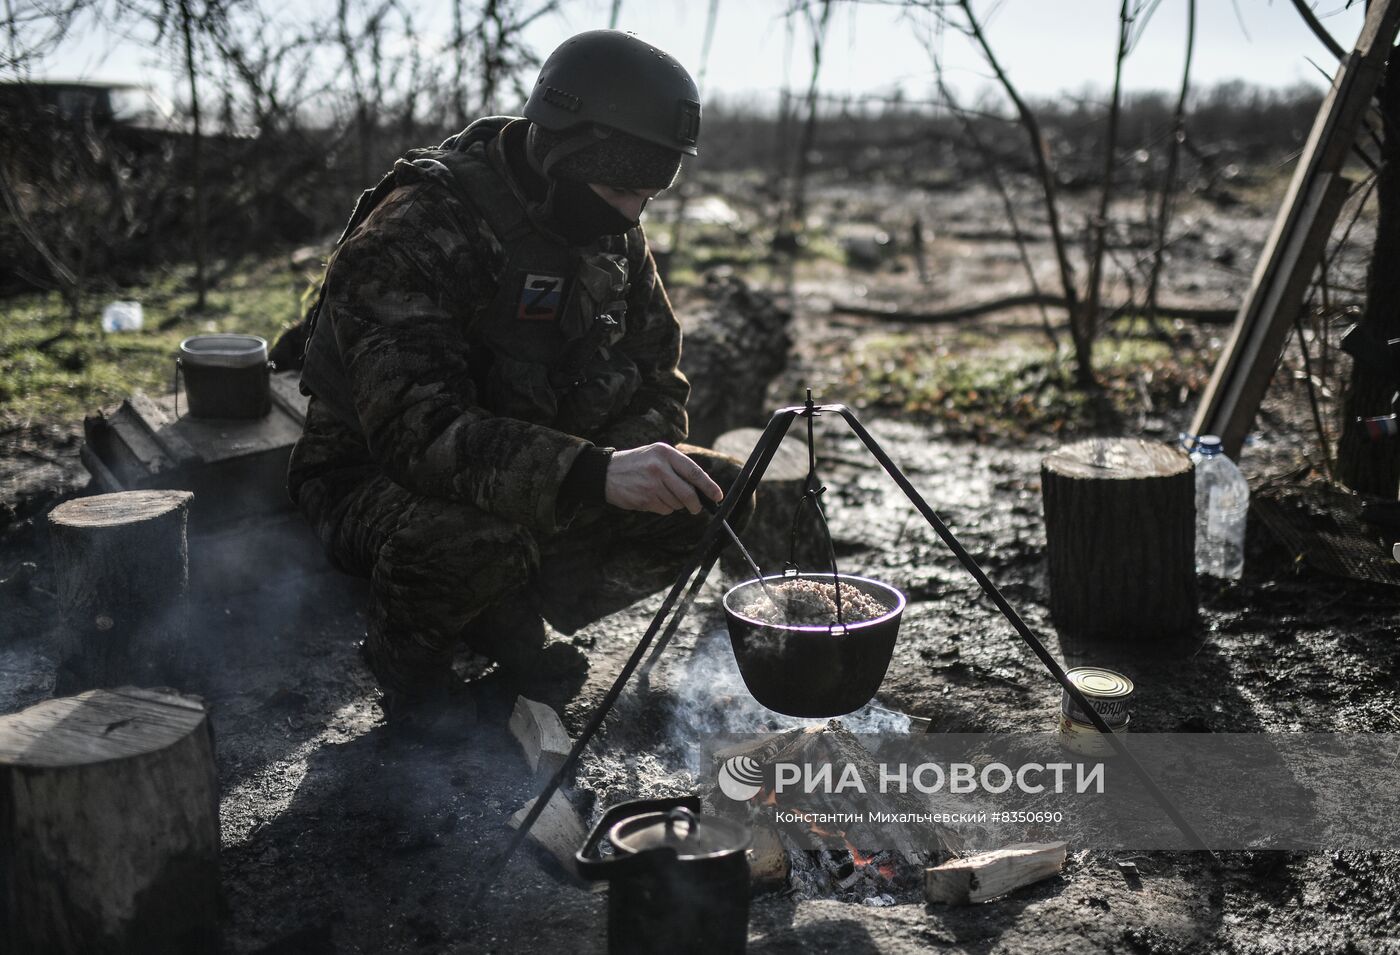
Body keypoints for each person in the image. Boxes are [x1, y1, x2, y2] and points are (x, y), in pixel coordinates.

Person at [287, 30, 752, 720]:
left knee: (717, 494)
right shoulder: (415, 230)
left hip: (549, 468)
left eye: (649, 195)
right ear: (558, 150)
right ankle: (411, 669)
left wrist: (614, 464)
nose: (632, 215)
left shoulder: (612, 230)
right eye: (620, 187)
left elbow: (662, 382)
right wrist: (590, 473)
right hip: (373, 479)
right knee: (475, 540)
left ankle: (513, 606)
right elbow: (418, 435)